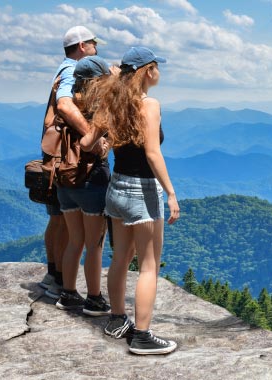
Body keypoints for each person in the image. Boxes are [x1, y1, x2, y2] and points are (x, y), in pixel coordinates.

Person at [94, 46, 180, 355]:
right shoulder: (149, 104)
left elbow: (90, 140)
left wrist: (103, 142)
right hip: (143, 191)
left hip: (116, 188)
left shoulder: (114, 102)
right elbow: (152, 153)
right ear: (147, 71)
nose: (160, 73)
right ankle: (142, 336)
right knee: (148, 266)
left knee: (120, 258)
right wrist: (170, 192)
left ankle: (117, 319)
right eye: (157, 67)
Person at [42, 25, 105, 300]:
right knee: (78, 232)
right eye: (92, 43)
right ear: (81, 46)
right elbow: (66, 105)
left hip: (56, 157)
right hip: (74, 161)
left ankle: (55, 277)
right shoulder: (72, 71)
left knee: (59, 218)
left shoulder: (61, 69)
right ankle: (64, 284)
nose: (96, 48)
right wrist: (92, 136)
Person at [54, 55, 114, 316]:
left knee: (74, 241)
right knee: (94, 245)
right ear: (97, 80)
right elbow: (101, 146)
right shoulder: (97, 106)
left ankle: (67, 293)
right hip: (92, 180)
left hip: (64, 179)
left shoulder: (65, 102)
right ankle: (94, 299)